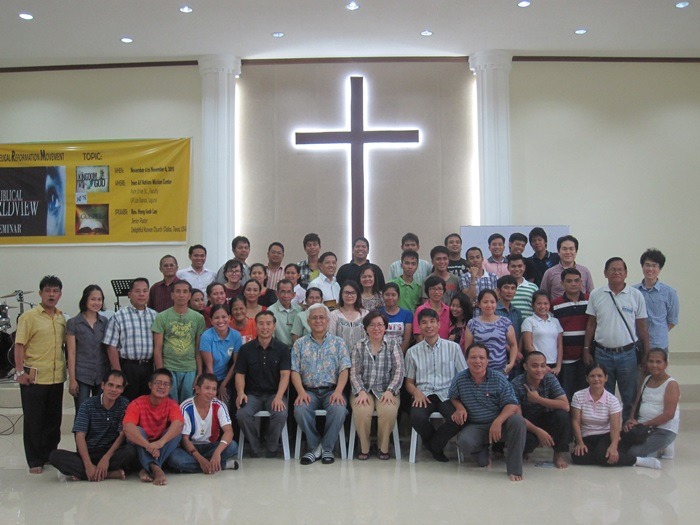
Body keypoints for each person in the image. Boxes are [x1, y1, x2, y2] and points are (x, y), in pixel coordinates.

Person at [583, 257, 649, 421]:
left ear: (626, 273)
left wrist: (647, 352)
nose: (617, 272)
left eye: (620, 269)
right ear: (605, 273)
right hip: (602, 353)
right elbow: (591, 324)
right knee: (603, 394)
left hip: (628, 354)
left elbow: (642, 326)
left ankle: (628, 427)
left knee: (629, 395)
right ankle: (607, 428)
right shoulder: (596, 294)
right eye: (613, 269)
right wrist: (586, 349)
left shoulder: (636, 295)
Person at [450, 343, 526, 481]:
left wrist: (498, 422)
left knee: (518, 421)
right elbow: (453, 397)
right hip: (477, 425)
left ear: (487, 360)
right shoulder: (460, 379)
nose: (477, 361)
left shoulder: (498, 378)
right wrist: (459, 407)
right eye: (473, 357)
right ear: (467, 360)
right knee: (464, 442)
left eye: (481, 358)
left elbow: (512, 404)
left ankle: (514, 469)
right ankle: (483, 455)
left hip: (500, 424)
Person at [14, 275, 67, 473]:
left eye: (55, 291)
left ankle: (49, 455)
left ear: (60, 294)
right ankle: (35, 460)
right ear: (40, 293)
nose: (51, 295)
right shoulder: (29, 317)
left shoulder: (61, 318)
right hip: (34, 377)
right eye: (48, 291)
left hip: (56, 377)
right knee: (34, 421)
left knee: (53, 421)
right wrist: (20, 371)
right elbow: (19, 345)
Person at [49, 370, 137, 481]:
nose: (114, 390)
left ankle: (87, 474)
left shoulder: (124, 404)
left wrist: (106, 458)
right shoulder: (87, 405)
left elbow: (122, 435)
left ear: (122, 390)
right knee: (55, 456)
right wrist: (87, 465)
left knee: (131, 451)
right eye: (110, 385)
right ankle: (109, 474)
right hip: (89, 452)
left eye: (118, 387)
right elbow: (80, 436)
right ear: (103, 385)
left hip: (111, 453)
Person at [570, 362, 661, 469]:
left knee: (603, 455)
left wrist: (613, 446)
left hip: (605, 435)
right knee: (577, 457)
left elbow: (615, 426)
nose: (596, 379)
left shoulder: (612, 400)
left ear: (606, 378)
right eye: (592, 376)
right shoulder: (578, 396)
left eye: (600, 376)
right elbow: (575, 421)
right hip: (586, 436)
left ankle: (637, 460)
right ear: (587, 378)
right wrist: (579, 442)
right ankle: (604, 457)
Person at [291, 304, 351, 465]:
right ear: (308, 321)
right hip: (308, 391)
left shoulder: (339, 343)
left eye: (322, 317)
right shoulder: (299, 344)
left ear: (327, 320)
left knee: (339, 410)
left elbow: (344, 369)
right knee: (300, 410)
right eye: (314, 318)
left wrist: (338, 391)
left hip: (332, 390)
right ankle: (315, 446)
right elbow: (294, 371)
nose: (318, 320)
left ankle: (327, 448)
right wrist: (301, 392)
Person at [405, 309, 467, 462]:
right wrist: (416, 392)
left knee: (458, 419)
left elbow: (463, 376)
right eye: (424, 322)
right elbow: (409, 383)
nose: (429, 326)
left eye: (432, 322)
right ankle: (436, 446)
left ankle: (433, 445)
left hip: (448, 395)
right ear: (419, 326)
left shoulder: (453, 348)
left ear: (439, 324)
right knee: (417, 418)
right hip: (424, 394)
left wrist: (459, 401)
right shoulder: (412, 352)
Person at [349, 311, 405, 460]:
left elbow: (399, 370)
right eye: (372, 325)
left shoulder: (393, 345)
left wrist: (390, 390)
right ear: (365, 328)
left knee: (388, 410)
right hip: (364, 390)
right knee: (361, 410)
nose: (376, 328)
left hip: (386, 389)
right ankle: (365, 447)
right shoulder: (359, 346)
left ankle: (382, 447)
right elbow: (354, 373)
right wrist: (360, 391)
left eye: (380, 325)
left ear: (385, 327)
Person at [235, 311, 291, 458]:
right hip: (252, 395)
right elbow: (240, 374)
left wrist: (279, 397)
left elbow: (285, 375)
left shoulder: (283, 349)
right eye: (261, 323)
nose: (264, 327)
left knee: (280, 413)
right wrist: (241, 393)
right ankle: (255, 447)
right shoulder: (245, 349)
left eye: (268, 323)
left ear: (274, 326)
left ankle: (272, 447)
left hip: (274, 394)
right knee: (242, 414)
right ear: (256, 325)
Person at [123, 369, 185, 485]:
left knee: (176, 432)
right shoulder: (137, 403)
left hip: (161, 448)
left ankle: (148, 467)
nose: (161, 386)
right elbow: (127, 428)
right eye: (158, 383)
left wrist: (161, 442)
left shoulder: (172, 404)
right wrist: (148, 446)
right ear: (150, 385)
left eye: (166, 384)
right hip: (142, 447)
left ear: (170, 388)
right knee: (138, 430)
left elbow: (178, 424)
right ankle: (155, 468)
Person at [168, 373, 239, 474]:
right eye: (207, 388)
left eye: (214, 389)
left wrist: (217, 453)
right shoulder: (186, 407)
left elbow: (229, 431)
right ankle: (222, 465)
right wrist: (200, 459)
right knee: (174, 458)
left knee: (233, 446)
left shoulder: (219, 405)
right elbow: (184, 439)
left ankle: (198, 465)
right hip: (190, 448)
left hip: (210, 446)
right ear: (197, 389)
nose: (211, 392)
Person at [510, 351, 570, 469]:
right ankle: (526, 450)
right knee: (527, 440)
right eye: (534, 366)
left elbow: (565, 405)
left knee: (562, 415)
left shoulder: (549, 378)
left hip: (545, 417)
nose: (539, 370)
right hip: (527, 422)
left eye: (543, 365)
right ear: (525, 366)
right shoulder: (516, 384)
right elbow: (518, 417)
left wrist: (538, 399)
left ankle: (559, 454)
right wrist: (538, 431)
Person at [104, 278, 157, 401]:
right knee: (127, 403)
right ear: (129, 294)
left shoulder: (155, 316)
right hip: (128, 367)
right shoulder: (119, 316)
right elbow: (111, 346)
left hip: (149, 367)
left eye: (145, 291)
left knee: (147, 403)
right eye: (137, 291)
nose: (141, 294)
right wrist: (118, 373)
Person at [152, 281, 206, 403]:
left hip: (190, 368)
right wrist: (161, 373)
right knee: (170, 402)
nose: (181, 295)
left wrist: (199, 373)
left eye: (185, 292)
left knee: (188, 402)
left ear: (189, 296)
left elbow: (198, 348)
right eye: (178, 291)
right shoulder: (162, 317)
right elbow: (157, 348)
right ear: (172, 295)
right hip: (169, 366)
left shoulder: (198, 318)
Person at [622, 349, 680, 459]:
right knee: (620, 449)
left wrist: (644, 424)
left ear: (665, 364)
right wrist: (631, 419)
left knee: (633, 454)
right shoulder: (647, 379)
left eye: (658, 362)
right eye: (651, 361)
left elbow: (669, 414)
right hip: (643, 427)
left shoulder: (671, 384)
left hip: (663, 429)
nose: (654, 365)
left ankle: (662, 449)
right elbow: (636, 403)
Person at [66, 284, 110, 412]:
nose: (96, 302)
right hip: (82, 375)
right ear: (85, 300)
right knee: (82, 412)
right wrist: (72, 380)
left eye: (99, 299)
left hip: (101, 374)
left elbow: (108, 349)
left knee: (100, 413)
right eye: (93, 299)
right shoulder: (73, 322)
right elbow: (71, 352)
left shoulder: (105, 322)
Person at [551, 268, 589, 400]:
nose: (573, 284)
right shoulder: (555, 304)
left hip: (586, 357)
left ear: (581, 282)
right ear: (562, 284)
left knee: (585, 394)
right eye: (569, 281)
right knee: (567, 394)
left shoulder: (590, 300)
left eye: (576, 281)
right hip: (566, 358)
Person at [462, 289, 518, 375]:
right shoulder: (472, 323)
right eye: (485, 302)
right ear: (479, 304)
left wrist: (511, 364)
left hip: (501, 371)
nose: (489, 305)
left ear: (496, 303)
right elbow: (468, 348)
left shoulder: (505, 322)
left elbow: (513, 345)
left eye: (492, 302)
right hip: (479, 370)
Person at [633, 249, 679, 352]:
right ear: (642, 266)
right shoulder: (633, 291)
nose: (650, 269)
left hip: (658, 344)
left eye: (654, 266)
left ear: (660, 268)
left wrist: (659, 333)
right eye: (647, 265)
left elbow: (672, 320)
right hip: (636, 343)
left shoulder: (669, 292)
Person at [200, 303, 242, 402]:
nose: (220, 321)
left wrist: (223, 385)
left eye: (224, 317)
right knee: (210, 402)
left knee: (224, 404)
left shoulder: (236, 336)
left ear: (229, 318)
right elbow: (209, 368)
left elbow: (236, 363)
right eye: (216, 318)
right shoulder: (206, 336)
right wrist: (213, 388)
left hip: (226, 378)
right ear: (211, 320)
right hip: (209, 377)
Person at [522, 291, 564, 374]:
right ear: (533, 305)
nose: (542, 306)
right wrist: (543, 366)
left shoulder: (555, 321)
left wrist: (558, 366)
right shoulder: (529, 321)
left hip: (554, 365)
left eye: (546, 303)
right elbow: (528, 346)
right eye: (539, 303)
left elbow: (559, 345)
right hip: (537, 366)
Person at [540, 235, 594, 300]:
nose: (568, 252)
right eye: (564, 249)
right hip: (558, 306)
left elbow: (592, 296)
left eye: (571, 249)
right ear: (558, 251)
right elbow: (543, 297)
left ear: (576, 251)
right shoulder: (549, 273)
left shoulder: (585, 271)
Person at [328, 280, 369, 351]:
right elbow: (330, 338)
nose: (349, 296)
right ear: (341, 294)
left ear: (357, 295)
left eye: (353, 293)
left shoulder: (365, 314)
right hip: (340, 355)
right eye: (346, 293)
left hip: (362, 354)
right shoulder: (334, 315)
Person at [413, 276, 451, 341]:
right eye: (433, 289)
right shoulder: (420, 310)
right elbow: (418, 334)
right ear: (427, 291)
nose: (436, 292)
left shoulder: (449, 310)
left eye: (440, 289)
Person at [379, 283, 413, 353]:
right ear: (382, 296)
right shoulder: (377, 313)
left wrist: (398, 354)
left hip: (400, 353)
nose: (390, 298)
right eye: (387, 295)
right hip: (380, 353)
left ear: (398, 296)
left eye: (393, 295)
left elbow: (406, 340)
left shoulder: (407, 314)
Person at [268, 279, 303, 347]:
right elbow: (270, 337)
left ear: (293, 294)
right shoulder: (271, 311)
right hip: (279, 349)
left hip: (298, 348)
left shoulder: (299, 309)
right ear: (277, 294)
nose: (286, 295)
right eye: (282, 292)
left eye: (289, 292)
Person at [508, 254, 538, 319]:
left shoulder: (533, 287)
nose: (517, 269)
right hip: (509, 324)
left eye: (520, 266)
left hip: (529, 324)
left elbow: (537, 307)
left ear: (524, 267)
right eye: (513, 266)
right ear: (508, 268)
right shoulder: (503, 287)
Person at [495, 275, 523, 342]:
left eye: (513, 288)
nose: (510, 291)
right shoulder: (493, 310)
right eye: (506, 287)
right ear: (498, 290)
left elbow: (520, 335)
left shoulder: (517, 312)